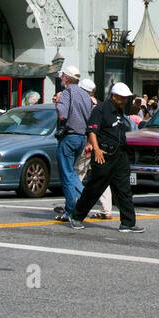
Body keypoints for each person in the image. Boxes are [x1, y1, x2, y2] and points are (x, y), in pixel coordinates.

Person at [68, 82, 142, 232]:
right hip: (104, 154)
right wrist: (96, 149)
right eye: (122, 98)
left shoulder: (120, 111)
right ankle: (76, 216)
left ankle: (128, 223)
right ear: (114, 97)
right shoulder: (101, 109)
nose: (125, 100)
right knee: (95, 187)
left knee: (124, 189)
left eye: (126, 98)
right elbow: (92, 131)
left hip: (120, 155)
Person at [54, 64, 91, 223]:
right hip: (82, 137)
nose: (62, 79)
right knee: (72, 173)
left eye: (63, 76)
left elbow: (62, 115)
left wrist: (57, 103)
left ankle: (71, 209)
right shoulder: (85, 94)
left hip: (69, 136)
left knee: (66, 174)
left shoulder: (67, 92)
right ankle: (85, 200)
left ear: (67, 78)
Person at [71, 78, 113, 220]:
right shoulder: (100, 105)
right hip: (100, 145)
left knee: (77, 174)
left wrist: (89, 143)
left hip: (89, 144)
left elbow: (91, 127)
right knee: (101, 177)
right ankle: (106, 209)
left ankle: (73, 205)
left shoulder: (87, 104)